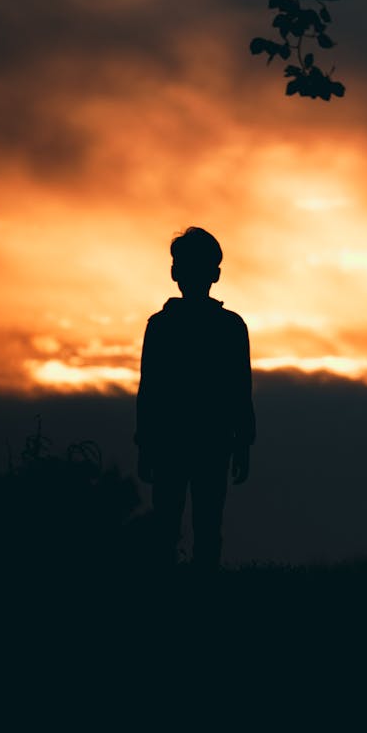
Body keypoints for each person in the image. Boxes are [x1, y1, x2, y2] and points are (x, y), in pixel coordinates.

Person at [135, 227, 255, 569]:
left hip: (183, 440)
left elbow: (150, 390)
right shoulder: (229, 327)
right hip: (205, 440)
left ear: (175, 273)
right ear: (215, 274)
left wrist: (145, 442)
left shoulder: (162, 326)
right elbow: (240, 389)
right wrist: (243, 441)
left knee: (174, 525)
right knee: (203, 526)